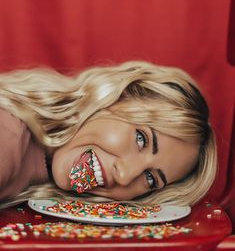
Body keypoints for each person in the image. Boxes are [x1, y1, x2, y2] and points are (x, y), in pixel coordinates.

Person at [0, 61, 217, 209]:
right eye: (141, 139)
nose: (124, 176)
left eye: (150, 179)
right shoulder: (8, 137)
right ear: (117, 97)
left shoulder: (36, 174)